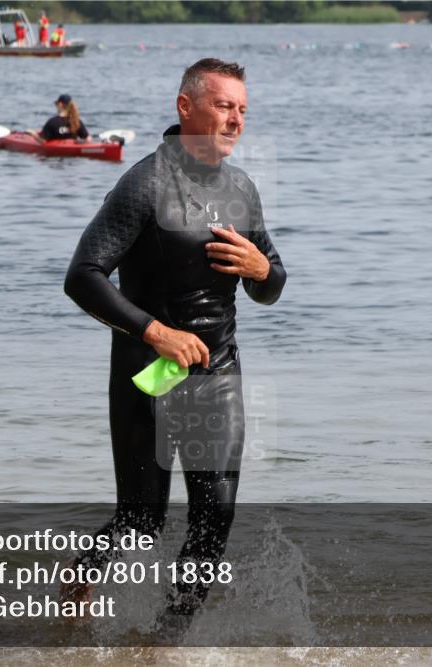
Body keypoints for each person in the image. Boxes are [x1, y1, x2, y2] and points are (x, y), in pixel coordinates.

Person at [63, 59, 286, 628]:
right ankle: (77, 581)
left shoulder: (242, 189)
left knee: (217, 516)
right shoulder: (145, 183)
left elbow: (271, 287)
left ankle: (167, 639)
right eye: (223, 106)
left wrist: (263, 270)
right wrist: (156, 332)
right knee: (142, 520)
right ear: (186, 106)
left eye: (241, 109)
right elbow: (83, 276)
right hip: (148, 371)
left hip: (219, 370)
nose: (234, 119)